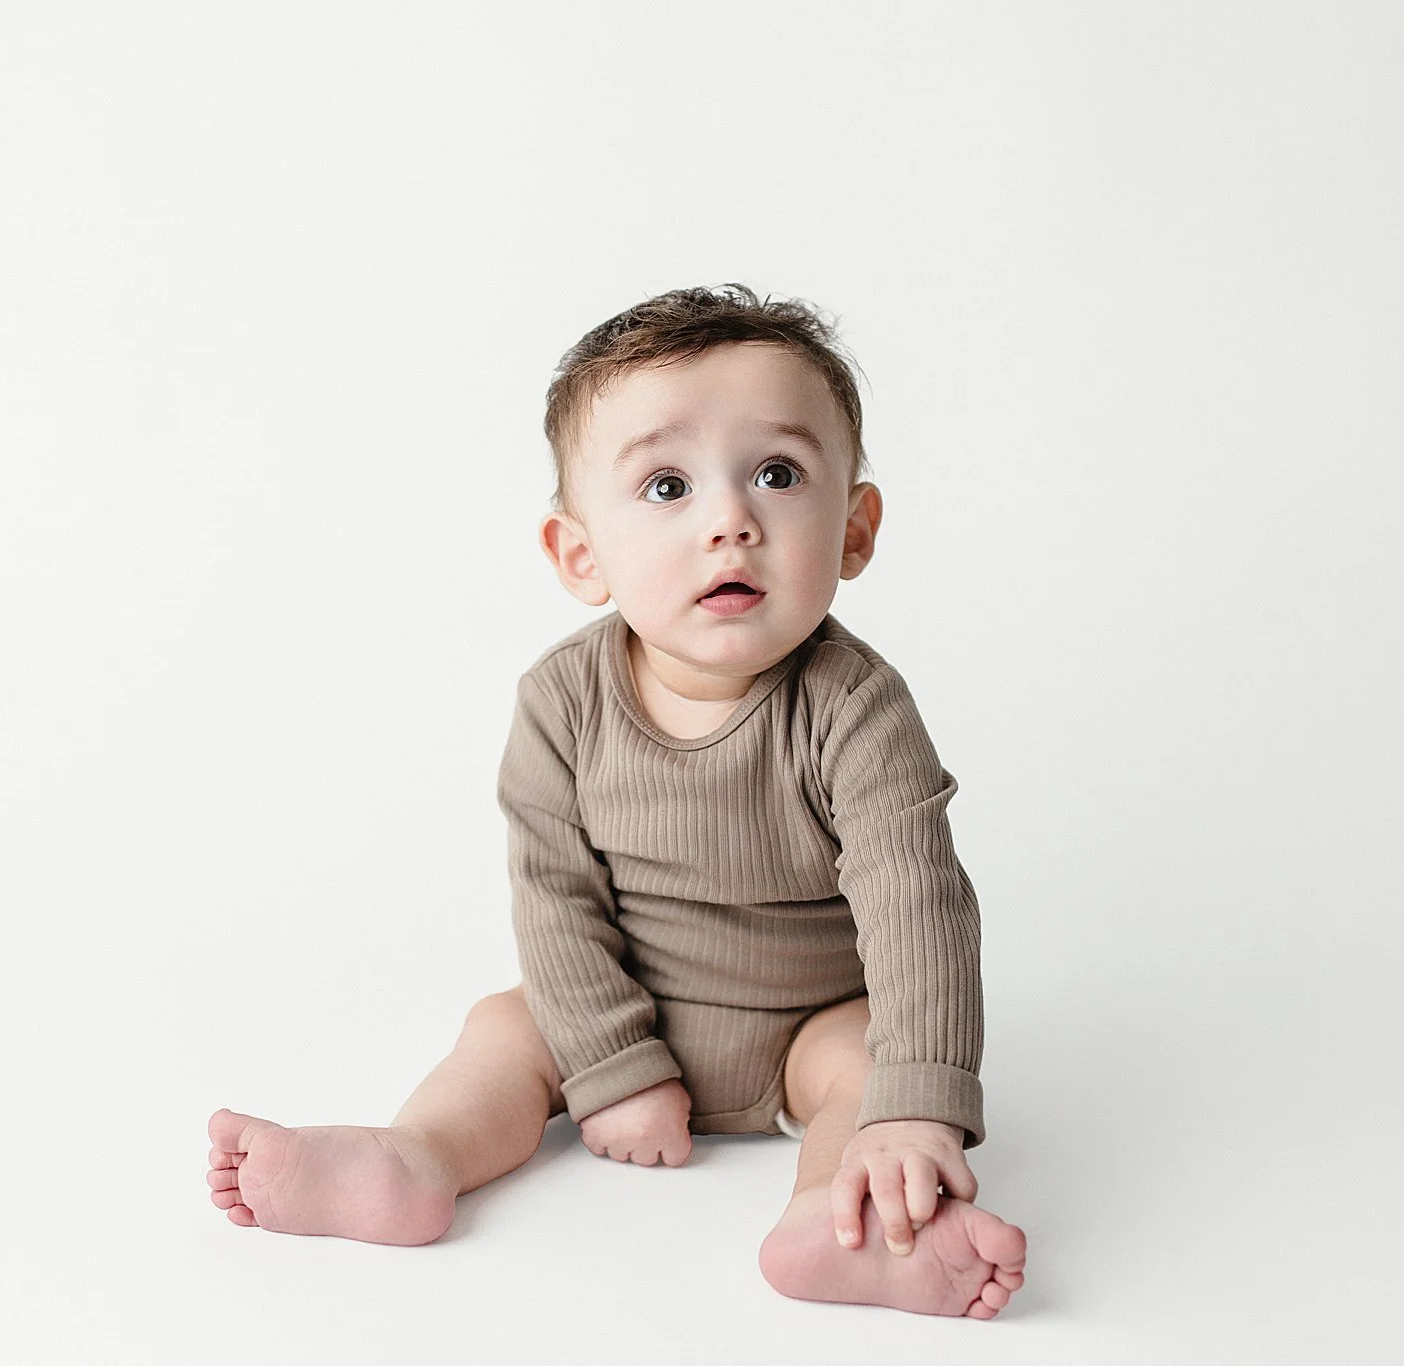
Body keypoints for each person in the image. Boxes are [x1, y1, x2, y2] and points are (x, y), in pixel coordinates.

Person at [206, 284, 1027, 1318]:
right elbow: (552, 897)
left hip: (803, 1026)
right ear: (579, 554)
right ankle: (415, 1159)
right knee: (502, 1029)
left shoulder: (856, 709)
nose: (729, 521)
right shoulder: (561, 701)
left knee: (860, 1063)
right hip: (611, 1001)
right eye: (667, 485)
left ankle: (836, 1215)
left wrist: (914, 1109)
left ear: (854, 528)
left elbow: (919, 909)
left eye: (776, 474)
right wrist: (605, 1065)